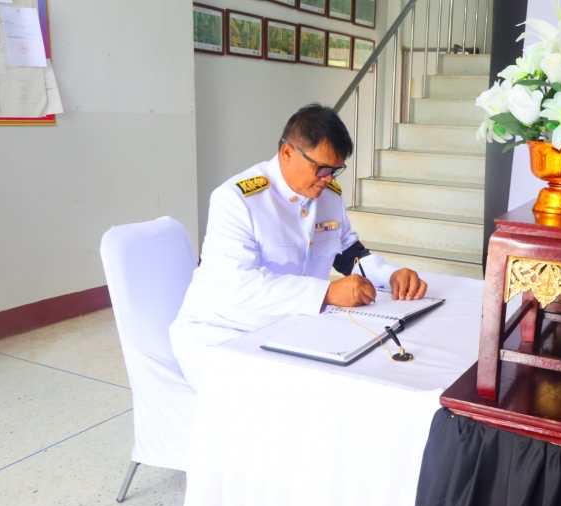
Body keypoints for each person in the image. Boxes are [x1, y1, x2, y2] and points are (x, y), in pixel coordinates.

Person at [170, 104, 428, 389]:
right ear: (288, 153)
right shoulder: (236, 199)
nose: (329, 179)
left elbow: (349, 254)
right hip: (222, 334)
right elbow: (241, 284)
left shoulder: (328, 197)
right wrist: (327, 292)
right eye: (322, 168)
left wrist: (390, 275)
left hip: (291, 331)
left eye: (336, 170)